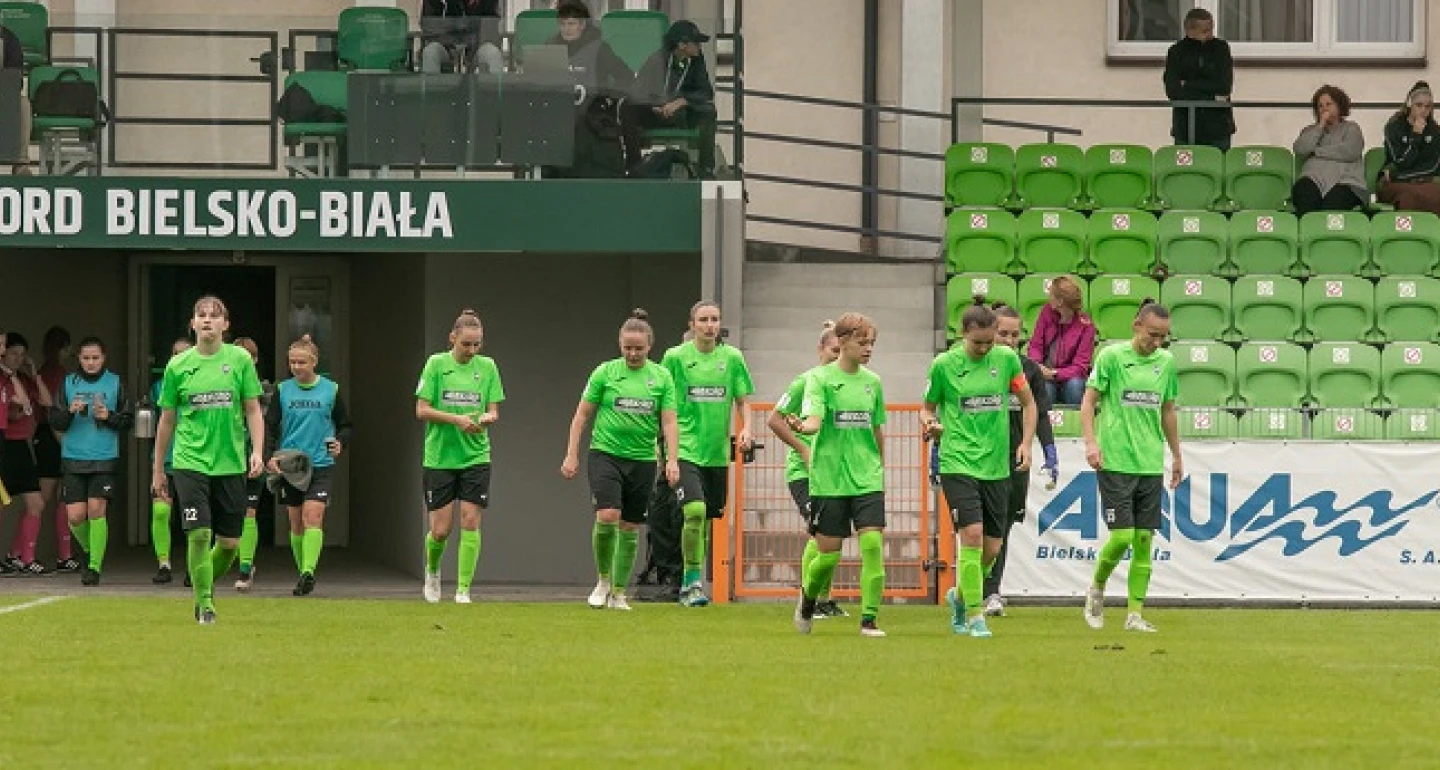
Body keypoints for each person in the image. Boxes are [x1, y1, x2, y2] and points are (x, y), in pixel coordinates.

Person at [924, 297, 1038, 638]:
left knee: (991, 549)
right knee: (971, 536)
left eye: (990, 342)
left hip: (997, 465)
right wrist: (931, 424)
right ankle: (975, 616)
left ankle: (960, 597)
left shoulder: (1006, 360)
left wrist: (1026, 443)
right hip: (958, 461)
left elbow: (1029, 403)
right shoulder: (943, 366)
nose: (985, 348)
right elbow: (927, 408)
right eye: (978, 343)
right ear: (963, 335)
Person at [152, 296, 265, 625]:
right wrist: (158, 469)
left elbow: (253, 409)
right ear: (192, 323)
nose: (206, 320)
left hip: (230, 463)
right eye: (201, 315)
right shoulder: (178, 366)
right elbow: (167, 420)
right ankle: (205, 604)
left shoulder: (239, 360)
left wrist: (257, 451)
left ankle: (203, 583)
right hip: (189, 462)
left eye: (214, 316)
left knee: (229, 544)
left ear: (225, 325)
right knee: (199, 534)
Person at [562, 309, 680, 611]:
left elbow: (669, 422)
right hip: (606, 454)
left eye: (639, 348)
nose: (633, 353)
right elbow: (581, 415)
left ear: (649, 346)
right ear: (620, 344)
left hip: (642, 460)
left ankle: (619, 592)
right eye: (627, 347)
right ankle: (602, 581)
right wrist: (572, 454)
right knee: (607, 515)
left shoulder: (661, 377)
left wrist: (672, 460)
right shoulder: (605, 373)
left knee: (630, 525)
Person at [1081, 300, 1182, 634]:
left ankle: (1134, 614)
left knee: (1143, 539)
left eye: (1163, 336)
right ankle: (1097, 588)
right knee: (1122, 536)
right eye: (1153, 334)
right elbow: (1089, 401)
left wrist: (1177, 455)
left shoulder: (1166, 362)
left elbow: (1167, 410)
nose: (1157, 342)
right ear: (1137, 326)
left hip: (1149, 463)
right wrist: (1091, 443)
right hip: (1115, 460)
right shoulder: (1111, 357)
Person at [789, 312, 888, 638]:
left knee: (872, 544)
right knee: (828, 556)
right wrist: (803, 427)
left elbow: (877, 429)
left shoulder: (873, 382)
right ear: (842, 342)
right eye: (862, 342)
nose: (868, 348)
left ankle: (869, 619)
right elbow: (814, 420)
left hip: (866, 477)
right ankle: (807, 599)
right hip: (829, 479)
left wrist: (880, 466)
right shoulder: (820, 379)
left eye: (872, 343)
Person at [661, 299, 755, 607]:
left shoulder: (732, 358)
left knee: (705, 518)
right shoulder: (675, 357)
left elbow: (743, 401)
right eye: (703, 319)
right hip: (685, 449)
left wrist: (746, 428)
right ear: (692, 325)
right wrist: (666, 452)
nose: (710, 325)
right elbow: (663, 403)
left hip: (716, 453)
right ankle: (690, 582)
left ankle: (693, 584)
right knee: (695, 511)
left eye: (714, 319)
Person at [415, 309, 505, 604]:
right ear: (452, 338)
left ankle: (463, 589)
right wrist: (456, 420)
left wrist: (488, 418)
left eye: (477, 344)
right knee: (440, 530)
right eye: (466, 344)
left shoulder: (488, 367)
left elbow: (493, 410)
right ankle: (432, 570)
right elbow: (421, 410)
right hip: (440, 457)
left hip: (475, 456)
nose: (472, 350)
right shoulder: (436, 364)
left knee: (471, 521)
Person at [766, 321, 846, 618]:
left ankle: (823, 597)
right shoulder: (804, 382)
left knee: (831, 536)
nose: (837, 357)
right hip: (805, 473)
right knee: (820, 533)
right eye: (833, 351)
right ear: (820, 350)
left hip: (833, 473)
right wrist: (802, 449)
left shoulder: (844, 383)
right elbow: (774, 420)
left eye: (841, 352)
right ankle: (809, 598)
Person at [984, 303, 1057, 617]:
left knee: (1003, 526)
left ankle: (990, 589)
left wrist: (1050, 451)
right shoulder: (978, 367)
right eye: (1003, 333)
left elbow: (1039, 413)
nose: (1010, 340)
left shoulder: (1029, 370)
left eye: (1015, 335)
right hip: (982, 457)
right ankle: (983, 590)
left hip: (1017, 458)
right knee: (981, 526)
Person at [265, 335, 350, 597]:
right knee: (296, 523)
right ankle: (302, 572)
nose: (296, 367)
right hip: (291, 465)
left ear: (314, 362)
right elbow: (270, 426)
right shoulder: (283, 390)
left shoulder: (331, 390)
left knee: (313, 517)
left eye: (301, 362)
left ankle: (308, 572)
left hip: (321, 464)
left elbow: (346, 425)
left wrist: (340, 442)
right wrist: (269, 456)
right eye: (292, 362)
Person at [50, 337, 131, 586]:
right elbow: (55, 421)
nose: (91, 362)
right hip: (73, 456)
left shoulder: (115, 382)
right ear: (79, 358)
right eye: (86, 358)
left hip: (104, 457)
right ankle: (89, 549)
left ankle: (94, 567)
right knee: (75, 516)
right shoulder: (68, 383)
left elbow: (128, 420)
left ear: (104, 358)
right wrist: (69, 411)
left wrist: (109, 416)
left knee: (97, 509)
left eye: (95, 358)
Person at [545, 0, 635, 179]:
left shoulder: (599, 48)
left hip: (590, 113)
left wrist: (607, 96)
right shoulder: (549, 47)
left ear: (582, 25)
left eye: (571, 24)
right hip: (557, 112)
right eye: (563, 24)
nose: (566, 29)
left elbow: (626, 76)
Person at [626, 20, 718, 178]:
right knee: (628, 108)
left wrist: (682, 101)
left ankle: (706, 169)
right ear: (682, 45)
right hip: (655, 113)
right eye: (696, 43)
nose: (699, 47)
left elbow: (706, 92)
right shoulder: (657, 59)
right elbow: (638, 90)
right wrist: (653, 106)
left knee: (709, 111)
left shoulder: (696, 60)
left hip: (681, 114)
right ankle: (634, 165)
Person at [1, 332, 53, 575]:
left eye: (22, 355)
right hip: (5, 444)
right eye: (13, 353)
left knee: (36, 502)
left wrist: (34, 374)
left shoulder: (22, 378)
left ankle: (26, 558)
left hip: (22, 446)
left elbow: (47, 402)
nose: (17, 358)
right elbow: (16, 410)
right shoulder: (3, 379)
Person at [233, 336, 275, 591]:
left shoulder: (267, 393)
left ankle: (245, 568)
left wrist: (265, 455)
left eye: (248, 357)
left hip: (253, 458)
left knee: (249, 511)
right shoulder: (221, 387)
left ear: (255, 360)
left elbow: (271, 426)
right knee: (225, 514)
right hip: (225, 459)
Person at [150, 336, 192, 584]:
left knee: (193, 517)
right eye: (176, 353)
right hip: (166, 459)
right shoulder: (160, 386)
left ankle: (193, 566)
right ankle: (163, 564)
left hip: (194, 459)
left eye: (185, 353)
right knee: (160, 511)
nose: (180, 358)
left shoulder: (203, 383)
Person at [1162, 8, 1234, 151]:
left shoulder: (1221, 49)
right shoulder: (1176, 52)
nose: (1210, 34)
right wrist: (1212, 96)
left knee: (1219, 164)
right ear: (1190, 31)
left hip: (1218, 127)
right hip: (1185, 126)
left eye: (1211, 29)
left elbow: (1224, 86)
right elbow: (1173, 91)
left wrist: (1188, 84)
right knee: (1186, 165)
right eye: (1205, 31)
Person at [1291, 85, 1366, 217]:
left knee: (1331, 207)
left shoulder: (1351, 128)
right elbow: (1301, 149)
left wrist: (1316, 151)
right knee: (1305, 197)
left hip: (1345, 182)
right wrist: (1320, 126)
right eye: (1320, 106)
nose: (1324, 108)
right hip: (1313, 180)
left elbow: (1350, 151)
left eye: (1328, 104)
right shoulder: (1310, 131)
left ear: (1339, 106)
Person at [1026, 276, 1094, 407]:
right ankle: (1043, 420)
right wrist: (1038, 366)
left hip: (1070, 377)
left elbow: (1080, 366)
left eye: (1051, 294)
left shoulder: (1086, 325)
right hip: (1045, 372)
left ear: (1060, 301)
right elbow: (1036, 345)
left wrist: (1054, 374)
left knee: (1075, 386)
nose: (1048, 297)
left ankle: (1077, 420)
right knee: (1045, 388)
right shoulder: (1046, 312)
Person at [36, 326, 72, 571]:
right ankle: (20, 554)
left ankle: (65, 556)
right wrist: (62, 439)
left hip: (55, 435)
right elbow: (51, 409)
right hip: (53, 436)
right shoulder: (54, 373)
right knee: (43, 497)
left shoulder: (47, 370)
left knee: (63, 497)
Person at [1379, 81, 1440, 215]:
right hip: (1395, 184)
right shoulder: (1394, 128)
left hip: (1420, 182)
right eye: (1419, 105)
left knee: (1432, 195)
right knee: (1408, 196)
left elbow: (1433, 167)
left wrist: (1398, 175)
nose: (1423, 110)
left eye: (1427, 106)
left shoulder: (1435, 130)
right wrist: (1416, 135)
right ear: (1409, 104)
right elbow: (1400, 162)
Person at [420, 0, 503, 75]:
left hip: (477, 45)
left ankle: (495, 87)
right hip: (445, 45)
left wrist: (475, 7)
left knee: (492, 54)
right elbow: (429, 27)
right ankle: (432, 87)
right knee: (431, 52)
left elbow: (491, 25)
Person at [1, 23, 30, 175]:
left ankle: (20, 164)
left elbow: (16, 80)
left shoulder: (8, 39)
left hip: (2, 96)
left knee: (23, 104)